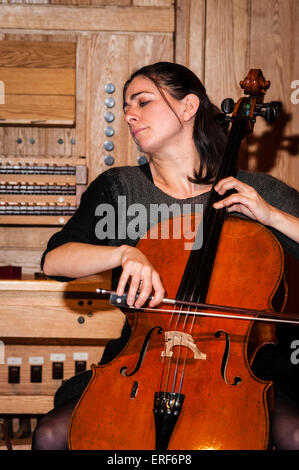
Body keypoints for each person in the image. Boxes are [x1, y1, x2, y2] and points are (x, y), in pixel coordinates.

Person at [32, 62, 299, 450]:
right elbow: (54, 260)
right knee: (50, 435)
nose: (129, 114)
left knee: (294, 434)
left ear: (188, 107)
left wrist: (271, 215)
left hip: (240, 363)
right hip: (146, 358)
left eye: (143, 101)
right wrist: (125, 253)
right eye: (126, 106)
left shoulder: (253, 190)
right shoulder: (119, 188)